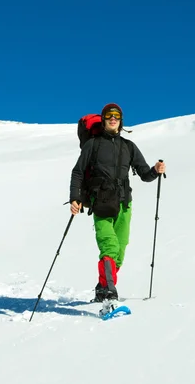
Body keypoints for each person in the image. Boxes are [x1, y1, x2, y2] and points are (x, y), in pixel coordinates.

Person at [69, 103, 166, 303]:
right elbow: (78, 172)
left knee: (119, 253)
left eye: (117, 115)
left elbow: (144, 175)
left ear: (121, 121)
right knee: (109, 248)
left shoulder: (128, 146)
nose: (113, 118)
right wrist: (75, 198)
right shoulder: (93, 145)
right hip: (101, 204)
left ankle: (101, 287)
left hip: (124, 204)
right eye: (109, 115)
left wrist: (155, 170)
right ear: (103, 119)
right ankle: (109, 292)